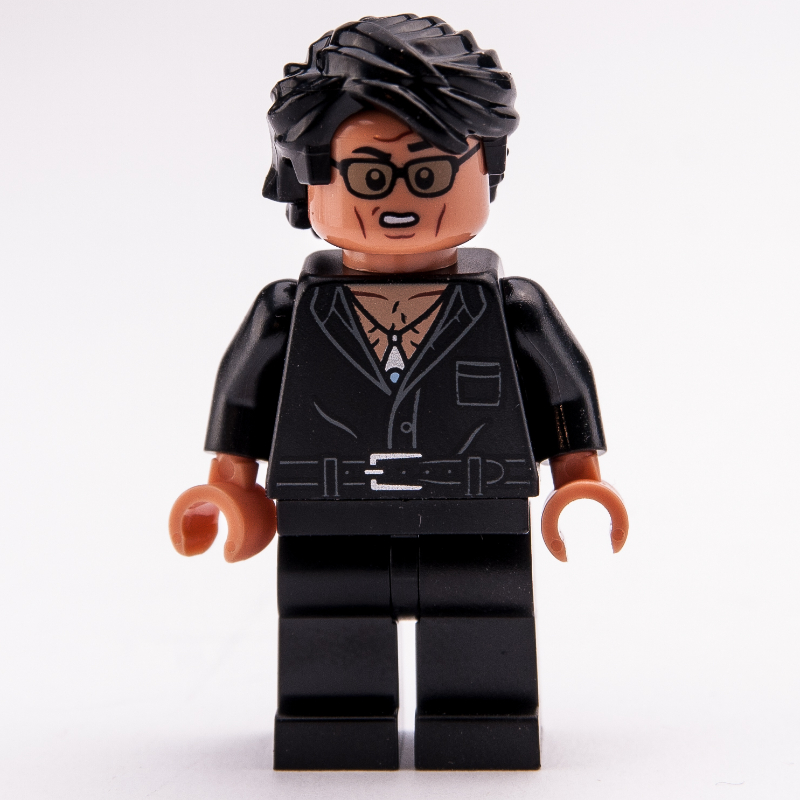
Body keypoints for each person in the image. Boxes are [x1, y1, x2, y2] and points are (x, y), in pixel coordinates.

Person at [169, 13, 628, 771]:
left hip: (474, 505)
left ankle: (481, 721)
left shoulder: (510, 307)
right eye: (371, 176)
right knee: (328, 623)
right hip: (330, 506)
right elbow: (244, 403)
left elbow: (562, 392)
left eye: (431, 173)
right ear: (308, 176)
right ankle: (334, 723)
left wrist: (579, 481)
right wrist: (230, 487)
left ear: (487, 168)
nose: (401, 202)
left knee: (481, 622)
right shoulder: (288, 311)